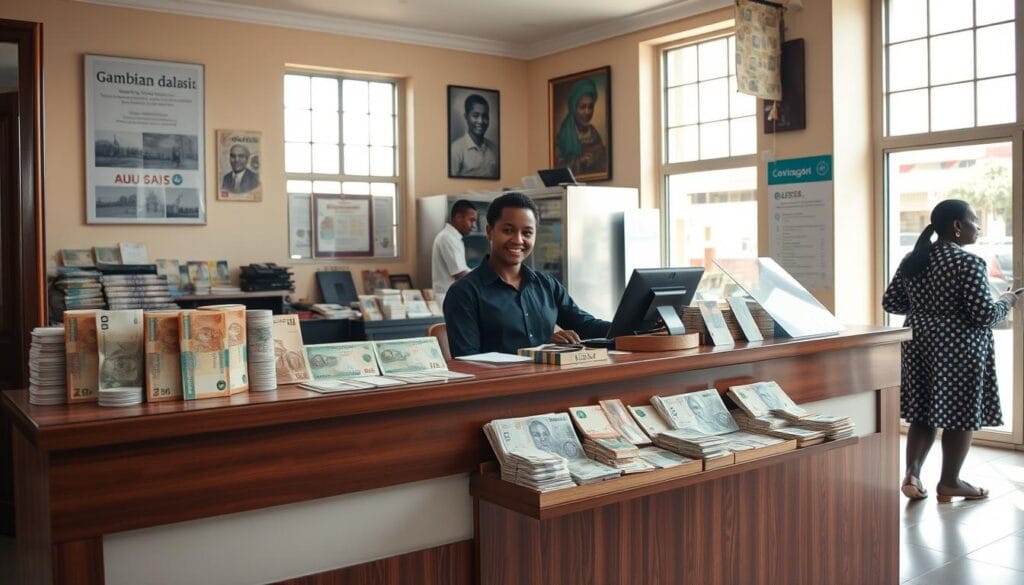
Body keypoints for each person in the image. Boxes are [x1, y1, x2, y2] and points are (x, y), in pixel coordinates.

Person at [883, 199, 1024, 502]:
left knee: (923, 411)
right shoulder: (967, 262)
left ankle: (912, 474)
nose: (978, 227)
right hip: (960, 348)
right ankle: (950, 482)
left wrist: (925, 310)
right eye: (975, 220)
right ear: (957, 226)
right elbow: (984, 315)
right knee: (960, 414)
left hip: (918, 344)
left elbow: (891, 303)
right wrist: (1009, 300)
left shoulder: (914, 258)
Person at [443, 192, 610, 357]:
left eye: (527, 233)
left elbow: (586, 325)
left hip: (551, 381)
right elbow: (467, 362)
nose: (518, 240)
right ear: (489, 231)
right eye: (508, 230)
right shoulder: (463, 293)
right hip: (502, 383)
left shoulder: (546, 285)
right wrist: (541, 350)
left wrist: (629, 325)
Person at [554, 78, 607, 176]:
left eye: (590, 107)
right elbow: (557, 169)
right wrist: (579, 161)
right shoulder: (563, 136)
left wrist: (595, 158)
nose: (587, 112)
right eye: (582, 107)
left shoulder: (594, 133)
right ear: (574, 108)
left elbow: (604, 162)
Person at [431, 200, 478, 299]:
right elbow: (460, 274)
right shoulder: (447, 238)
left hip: (453, 295)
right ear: (458, 218)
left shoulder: (454, 238)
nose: (474, 226)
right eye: (471, 220)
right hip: (448, 296)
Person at [449, 94, 498, 178]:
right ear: (466, 117)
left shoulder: (494, 148)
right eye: (475, 116)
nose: (481, 121)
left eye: (485, 116)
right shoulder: (455, 150)